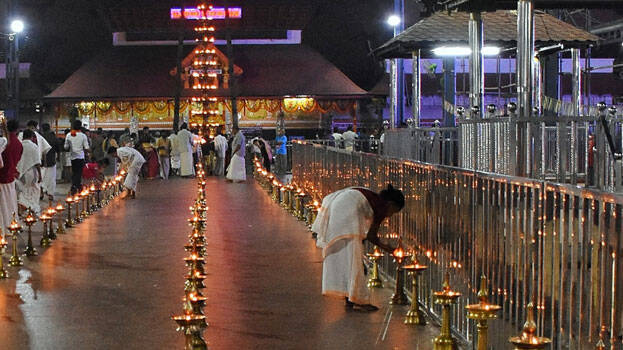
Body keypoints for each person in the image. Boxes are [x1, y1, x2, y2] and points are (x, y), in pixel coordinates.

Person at [312, 184, 405, 311]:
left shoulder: (373, 197)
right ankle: (360, 300)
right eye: (393, 212)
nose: (390, 215)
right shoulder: (381, 206)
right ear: (391, 204)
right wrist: (388, 248)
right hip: (346, 214)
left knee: (347, 259)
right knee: (354, 262)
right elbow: (372, 236)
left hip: (338, 208)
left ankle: (350, 297)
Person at [0, 119, 23, 231]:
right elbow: (17, 159)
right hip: (10, 176)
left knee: (3, 204)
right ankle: (11, 223)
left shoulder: (3, 142)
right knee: (11, 202)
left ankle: (3, 226)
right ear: (18, 129)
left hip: (2, 176)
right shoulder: (18, 143)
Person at [16, 129, 42, 214]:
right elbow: (37, 162)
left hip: (20, 172)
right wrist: (40, 175)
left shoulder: (19, 145)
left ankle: (22, 208)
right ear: (31, 137)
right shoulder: (34, 146)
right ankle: (30, 207)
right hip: (31, 172)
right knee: (33, 190)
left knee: (22, 191)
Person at [64, 120, 90, 194]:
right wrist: (90, 152)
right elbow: (86, 147)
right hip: (80, 157)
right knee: (79, 172)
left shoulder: (69, 135)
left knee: (75, 172)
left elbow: (65, 147)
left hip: (72, 157)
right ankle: (76, 186)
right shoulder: (83, 136)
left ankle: (76, 186)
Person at [40, 123, 60, 200]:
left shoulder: (40, 137)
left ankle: (41, 193)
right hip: (51, 160)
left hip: (41, 161)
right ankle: (50, 194)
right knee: (51, 178)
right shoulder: (53, 137)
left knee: (41, 178)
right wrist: (58, 157)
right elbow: (58, 148)